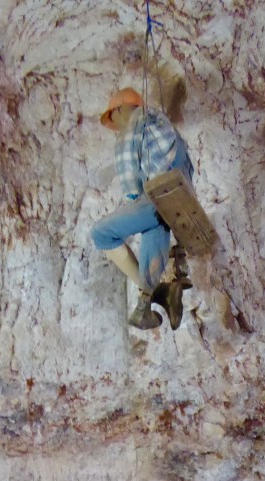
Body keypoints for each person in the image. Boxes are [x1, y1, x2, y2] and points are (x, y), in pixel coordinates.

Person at [91, 87, 194, 330]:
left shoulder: (134, 127)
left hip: (158, 199)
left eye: (113, 118)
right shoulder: (164, 124)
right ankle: (153, 298)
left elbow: (133, 190)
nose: (116, 125)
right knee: (154, 226)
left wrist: (134, 201)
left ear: (119, 109)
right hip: (180, 199)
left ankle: (155, 293)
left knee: (101, 234)